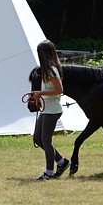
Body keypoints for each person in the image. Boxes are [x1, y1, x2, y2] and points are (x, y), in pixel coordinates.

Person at [29, 40, 70, 180]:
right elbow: (48, 89)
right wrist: (39, 98)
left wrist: (40, 94)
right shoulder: (47, 70)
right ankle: (62, 162)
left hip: (53, 109)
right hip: (48, 107)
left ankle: (49, 172)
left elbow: (59, 90)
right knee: (37, 138)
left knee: (46, 139)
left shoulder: (51, 69)